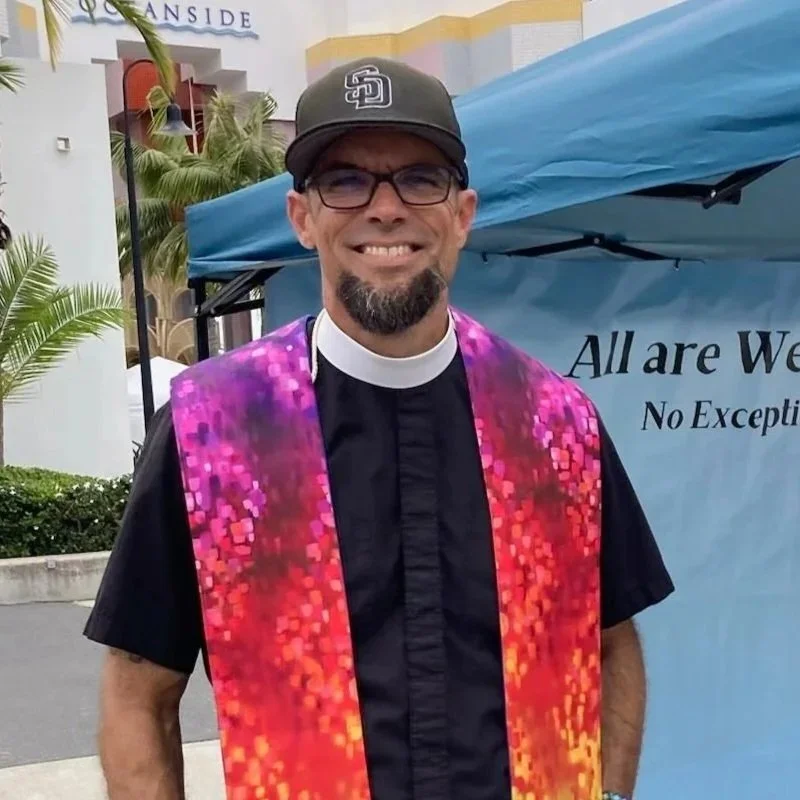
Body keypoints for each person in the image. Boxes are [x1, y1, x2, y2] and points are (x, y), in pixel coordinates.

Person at [84, 56, 674, 800]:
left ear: (463, 215)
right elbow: (138, 691)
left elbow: (612, 645)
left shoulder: (554, 424)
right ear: (302, 217)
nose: (386, 209)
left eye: (420, 179)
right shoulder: (214, 431)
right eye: (345, 181)